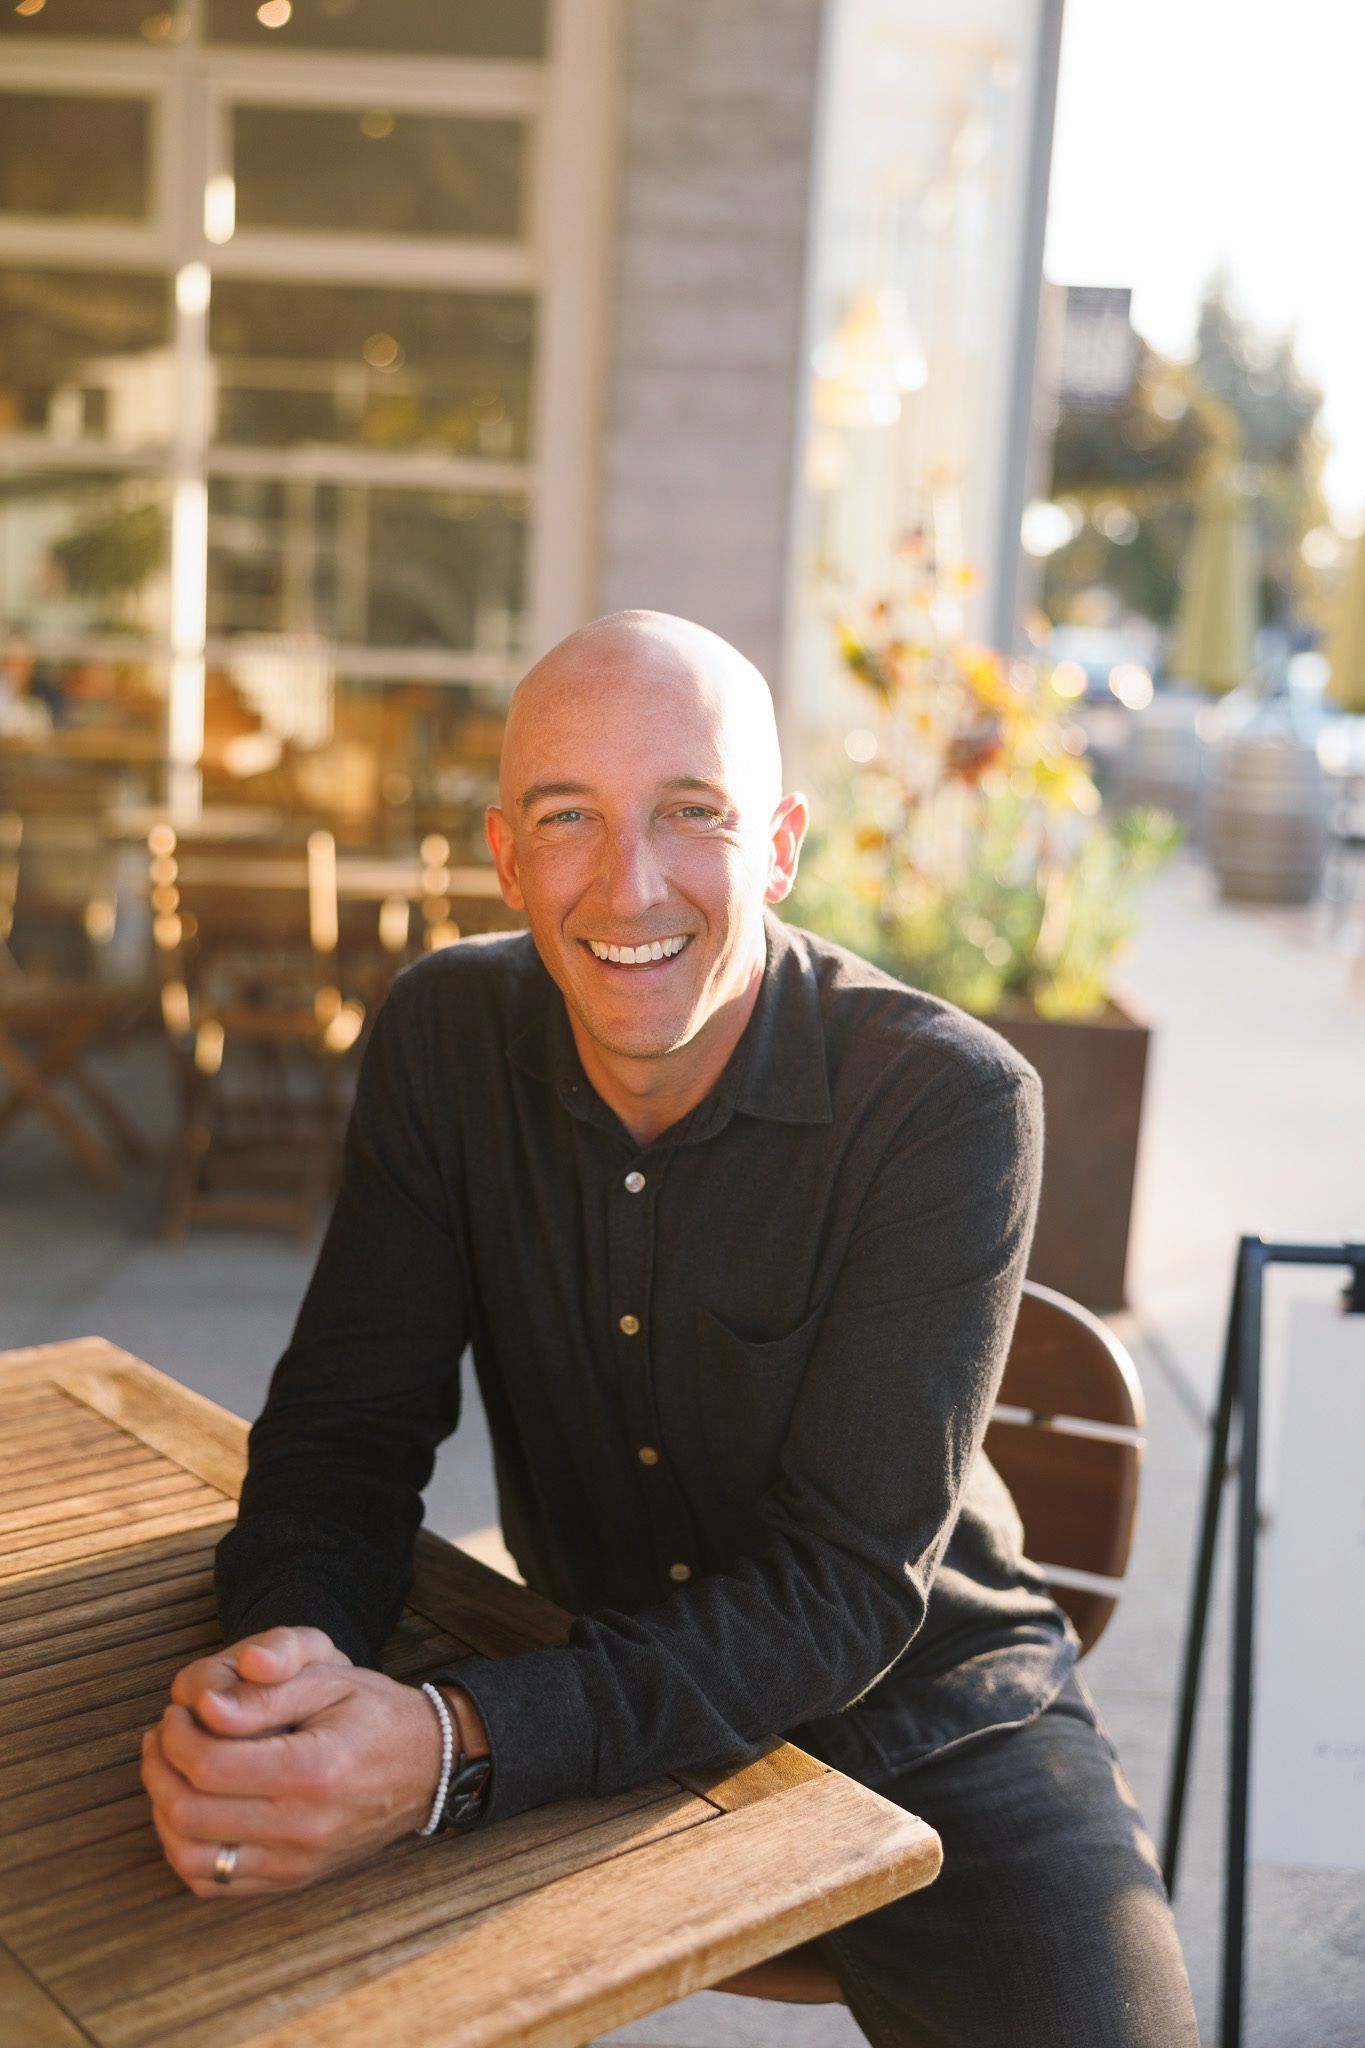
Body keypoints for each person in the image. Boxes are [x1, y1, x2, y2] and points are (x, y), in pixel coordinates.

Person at [141, 610, 1199, 2046]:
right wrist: (293, 1664)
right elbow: (348, 1431)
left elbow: (840, 1591)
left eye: (690, 811)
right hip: (582, 1662)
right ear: (506, 857)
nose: (626, 882)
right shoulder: (444, 1037)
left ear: (777, 844)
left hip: (925, 1716)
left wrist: (457, 1745)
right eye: (567, 816)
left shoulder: (946, 1103)